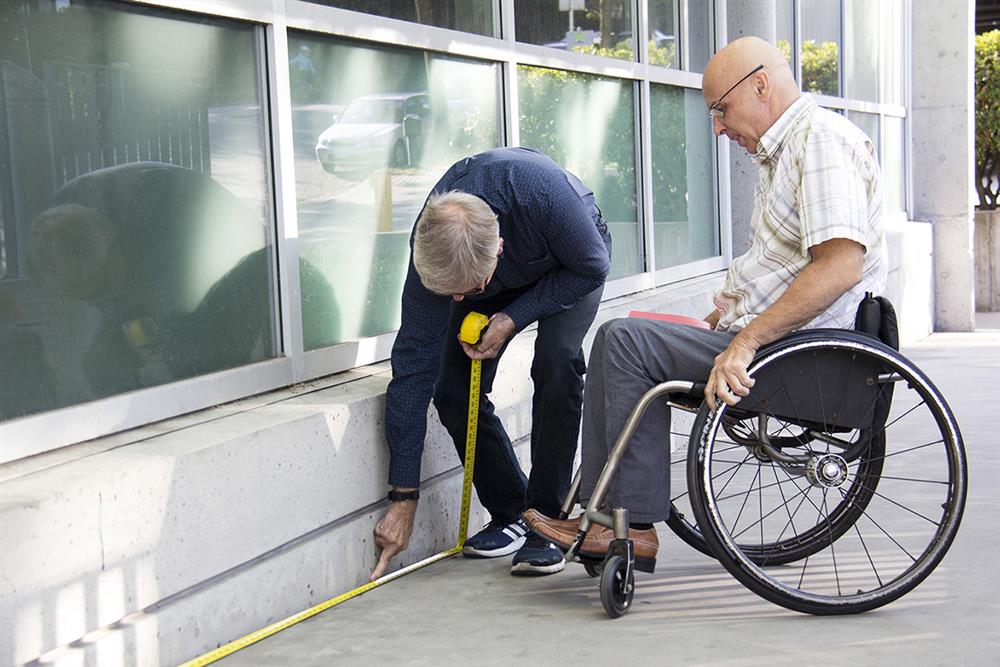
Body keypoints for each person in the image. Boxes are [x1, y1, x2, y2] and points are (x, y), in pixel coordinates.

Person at [523, 36, 888, 566]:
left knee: (623, 340)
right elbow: (784, 268)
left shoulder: (821, 142)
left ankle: (629, 525)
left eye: (721, 109)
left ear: (760, 84)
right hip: (783, 346)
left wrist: (745, 339)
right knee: (625, 337)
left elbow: (839, 265)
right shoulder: (788, 151)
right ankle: (610, 519)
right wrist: (725, 316)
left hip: (805, 359)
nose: (717, 128)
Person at [370, 147, 612, 580]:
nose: (458, 303)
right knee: (451, 390)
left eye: (466, 292)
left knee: (556, 363)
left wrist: (513, 317)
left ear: (499, 250)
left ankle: (548, 522)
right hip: (485, 268)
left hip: (567, 263)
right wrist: (403, 497)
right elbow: (411, 370)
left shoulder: (542, 194)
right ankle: (512, 512)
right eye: (451, 295)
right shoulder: (436, 242)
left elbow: (592, 267)